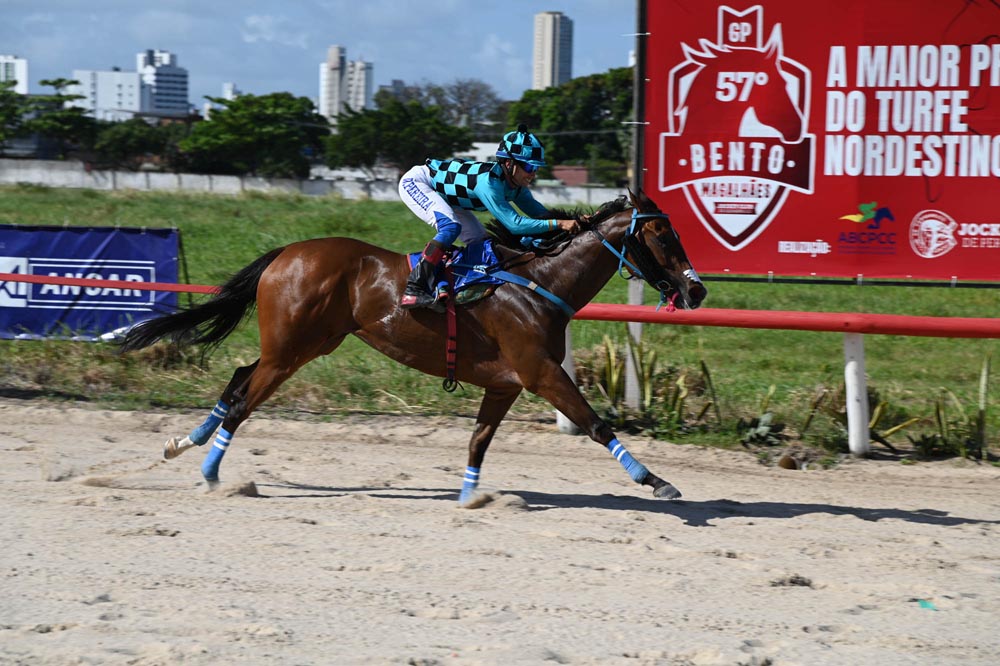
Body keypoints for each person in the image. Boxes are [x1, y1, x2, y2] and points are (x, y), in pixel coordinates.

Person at [397, 124, 581, 310]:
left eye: (536, 168)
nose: (533, 173)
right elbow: (515, 225)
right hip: (419, 182)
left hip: (450, 198)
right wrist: (559, 223)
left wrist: (579, 221)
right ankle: (414, 288)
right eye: (529, 166)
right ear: (509, 164)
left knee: (481, 244)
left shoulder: (517, 187)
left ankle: (445, 281)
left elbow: (540, 215)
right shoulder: (489, 184)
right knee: (451, 227)